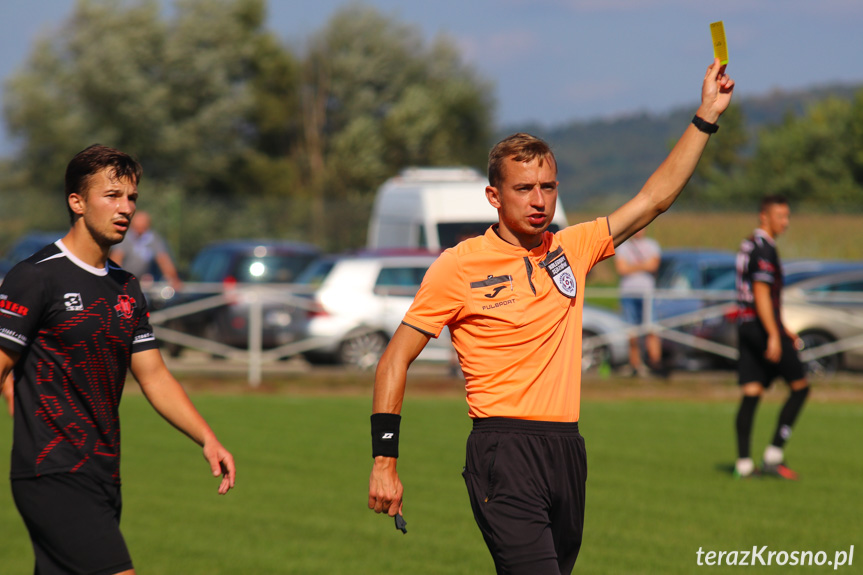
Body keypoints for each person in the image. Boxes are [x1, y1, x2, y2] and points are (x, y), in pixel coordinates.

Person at [368, 59, 734, 574]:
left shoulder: (573, 247)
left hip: (566, 449)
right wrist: (385, 461)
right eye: (524, 189)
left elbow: (655, 199)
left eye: (548, 187)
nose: (539, 201)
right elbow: (392, 361)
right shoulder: (458, 266)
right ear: (494, 196)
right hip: (503, 450)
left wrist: (705, 117)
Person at [0, 144, 236, 575]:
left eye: (131, 198)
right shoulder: (35, 277)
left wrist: (207, 437)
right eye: (112, 195)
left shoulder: (127, 288)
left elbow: (154, 376)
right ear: (77, 201)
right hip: (52, 472)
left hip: (104, 472)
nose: (125, 207)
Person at [733, 194, 809, 480]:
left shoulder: (748, 243)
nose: (785, 223)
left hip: (746, 325)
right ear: (764, 216)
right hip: (761, 328)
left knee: (752, 392)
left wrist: (783, 328)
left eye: (787, 217)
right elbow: (762, 294)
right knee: (800, 388)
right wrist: (775, 335)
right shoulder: (764, 249)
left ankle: (743, 465)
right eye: (781, 217)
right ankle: (773, 455)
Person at [614, 227, 663, 376]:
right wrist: (643, 265)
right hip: (628, 292)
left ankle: (655, 364)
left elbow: (654, 265)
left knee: (651, 328)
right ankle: (635, 365)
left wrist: (632, 266)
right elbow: (621, 269)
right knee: (631, 331)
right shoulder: (623, 247)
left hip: (647, 293)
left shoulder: (653, 245)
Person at [112, 210, 182, 291]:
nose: (139, 231)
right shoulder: (124, 238)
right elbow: (116, 260)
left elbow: (164, 261)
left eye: (143, 227)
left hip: (146, 282)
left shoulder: (154, 239)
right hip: (125, 280)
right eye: (137, 227)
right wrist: (116, 281)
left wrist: (174, 279)